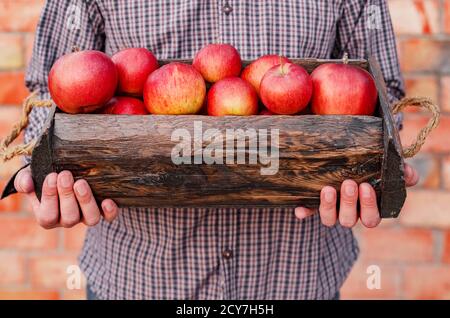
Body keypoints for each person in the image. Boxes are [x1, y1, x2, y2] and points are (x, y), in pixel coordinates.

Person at [14, 0, 419, 299]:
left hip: (294, 279)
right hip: (139, 279)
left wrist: (370, 165)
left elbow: (383, 95)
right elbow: (50, 99)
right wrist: (42, 172)